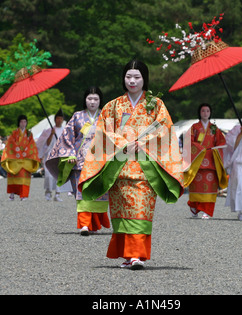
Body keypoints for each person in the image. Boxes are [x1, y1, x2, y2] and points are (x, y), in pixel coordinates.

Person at [78, 60, 184, 270]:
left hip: (145, 169)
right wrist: (123, 142)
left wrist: (143, 142)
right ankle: (128, 255)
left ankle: (137, 255)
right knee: (121, 212)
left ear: (144, 79)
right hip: (119, 167)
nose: (132, 81)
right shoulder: (113, 106)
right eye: (128, 77)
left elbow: (166, 131)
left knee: (140, 210)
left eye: (137, 77)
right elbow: (102, 132)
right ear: (123, 79)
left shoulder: (156, 104)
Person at [46, 87, 110, 235]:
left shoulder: (106, 117)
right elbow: (67, 137)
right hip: (79, 161)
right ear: (85, 99)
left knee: (97, 192)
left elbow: (112, 137)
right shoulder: (77, 116)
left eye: (95, 99)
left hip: (100, 161)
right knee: (82, 193)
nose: (92, 102)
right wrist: (69, 154)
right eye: (89, 98)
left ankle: (93, 224)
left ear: (100, 100)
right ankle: (84, 225)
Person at [184, 103, 227, 219]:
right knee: (196, 187)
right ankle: (194, 207)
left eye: (207, 111)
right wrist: (199, 148)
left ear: (210, 113)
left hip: (211, 160)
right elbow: (188, 142)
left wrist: (216, 149)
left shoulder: (213, 127)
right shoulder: (194, 127)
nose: (205, 113)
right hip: (197, 161)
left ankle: (207, 211)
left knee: (210, 187)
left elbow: (221, 142)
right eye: (203, 111)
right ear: (199, 112)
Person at [1, 115, 40, 201]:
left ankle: (24, 195)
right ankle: (12, 194)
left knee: (24, 176)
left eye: (25, 122)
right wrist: (18, 152)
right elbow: (11, 144)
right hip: (16, 157)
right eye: (21, 121)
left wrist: (25, 152)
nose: (23, 123)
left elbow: (32, 145)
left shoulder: (29, 134)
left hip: (26, 158)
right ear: (19, 123)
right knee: (14, 175)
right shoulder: (14, 133)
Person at [36, 109, 71, 201]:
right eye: (57, 118)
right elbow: (46, 144)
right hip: (50, 155)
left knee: (59, 175)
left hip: (61, 155)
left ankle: (57, 194)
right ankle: (48, 192)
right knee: (48, 175)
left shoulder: (65, 131)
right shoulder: (49, 130)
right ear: (55, 120)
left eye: (61, 118)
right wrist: (51, 134)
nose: (59, 120)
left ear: (63, 120)